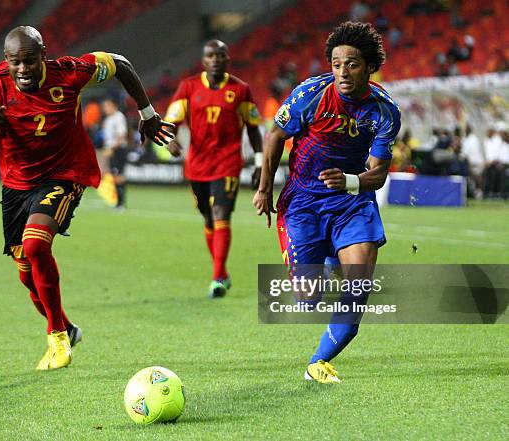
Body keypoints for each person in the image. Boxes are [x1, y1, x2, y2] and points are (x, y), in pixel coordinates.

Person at [0, 26, 173, 370]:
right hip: (17, 185)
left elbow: (120, 64)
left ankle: (57, 337)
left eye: (29, 61)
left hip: (65, 174)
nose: (22, 70)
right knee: (26, 274)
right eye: (15, 63)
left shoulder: (72, 73)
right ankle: (69, 327)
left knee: (35, 245)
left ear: (42, 55)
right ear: (6, 60)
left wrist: (147, 114)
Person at [253, 22, 401, 383]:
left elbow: (378, 173)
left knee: (358, 287)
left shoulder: (383, 111)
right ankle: (332, 254)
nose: (342, 72)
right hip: (303, 201)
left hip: (352, 202)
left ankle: (317, 363)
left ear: (368, 66)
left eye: (351, 64)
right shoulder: (311, 95)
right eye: (336, 64)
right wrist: (264, 189)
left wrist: (351, 181)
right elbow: (274, 136)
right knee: (307, 298)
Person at [164, 39, 263, 298]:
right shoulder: (188, 87)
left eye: (220, 55)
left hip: (228, 162)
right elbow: (171, 121)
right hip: (197, 164)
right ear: (204, 60)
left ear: (227, 59)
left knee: (221, 213)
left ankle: (217, 276)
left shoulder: (240, 90)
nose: (216, 59)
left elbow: (253, 129)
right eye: (211, 55)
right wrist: (169, 140)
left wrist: (260, 162)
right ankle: (223, 272)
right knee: (208, 218)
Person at [100, 97, 129, 209]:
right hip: (111, 150)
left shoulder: (118, 117)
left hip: (118, 150)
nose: (105, 109)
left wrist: (112, 148)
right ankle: (118, 202)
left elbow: (121, 136)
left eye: (107, 106)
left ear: (113, 106)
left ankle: (121, 204)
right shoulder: (108, 120)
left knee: (119, 176)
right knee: (114, 175)